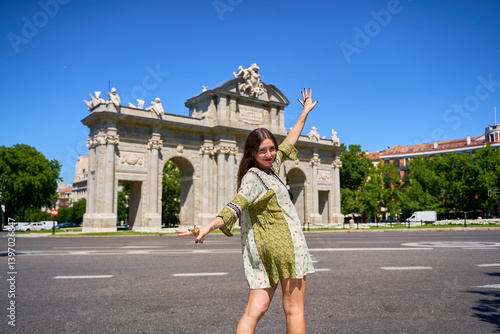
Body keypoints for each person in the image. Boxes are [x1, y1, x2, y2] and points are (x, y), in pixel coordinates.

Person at [177, 88, 318, 334]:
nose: (269, 154)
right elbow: (234, 206)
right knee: (294, 310)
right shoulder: (255, 178)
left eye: (271, 149)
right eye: (263, 150)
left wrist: (304, 113)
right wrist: (208, 227)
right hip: (287, 247)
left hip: (263, 252)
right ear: (252, 153)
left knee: (253, 312)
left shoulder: (268, 169)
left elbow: (290, 140)